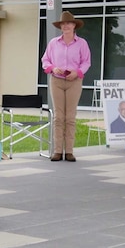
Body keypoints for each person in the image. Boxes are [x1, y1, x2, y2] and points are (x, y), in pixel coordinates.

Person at [41, 11, 91, 162]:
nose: (66, 26)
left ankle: (69, 151)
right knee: (58, 116)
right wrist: (52, 68)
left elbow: (86, 62)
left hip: (74, 82)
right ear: (60, 26)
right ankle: (57, 151)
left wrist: (78, 72)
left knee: (70, 117)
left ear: (74, 25)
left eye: (69, 23)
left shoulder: (82, 43)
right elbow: (45, 60)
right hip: (56, 80)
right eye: (63, 24)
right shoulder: (53, 43)